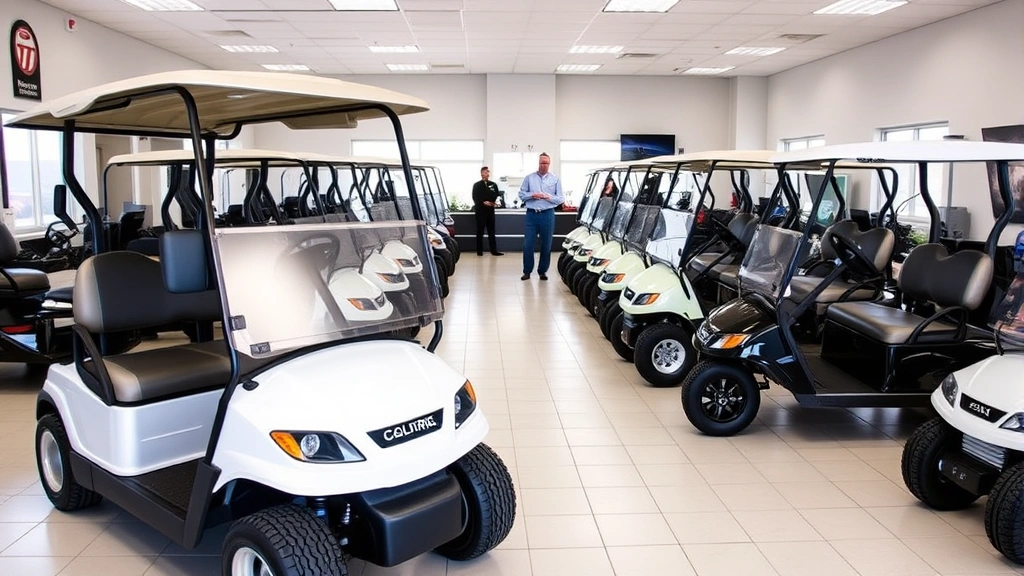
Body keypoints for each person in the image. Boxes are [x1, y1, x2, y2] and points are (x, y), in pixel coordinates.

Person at [518, 153, 563, 281]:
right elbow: (521, 194)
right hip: (532, 214)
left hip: (547, 214)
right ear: (538, 163)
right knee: (528, 245)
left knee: (546, 244)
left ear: (549, 164)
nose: (544, 165)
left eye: (546, 163)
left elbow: (560, 199)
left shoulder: (555, 179)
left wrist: (548, 197)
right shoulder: (529, 178)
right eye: (542, 162)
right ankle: (527, 271)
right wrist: (533, 195)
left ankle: (542, 271)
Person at [472, 166, 503, 256]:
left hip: (490, 211)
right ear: (481, 173)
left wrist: (493, 203)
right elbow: (475, 197)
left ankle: (494, 250)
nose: (486, 174)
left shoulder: (493, 185)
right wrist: (483, 202)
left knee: (491, 231)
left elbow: (497, 196)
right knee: (480, 231)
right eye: (485, 172)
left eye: (488, 172)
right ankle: (479, 251)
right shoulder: (477, 185)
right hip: (480, 211)